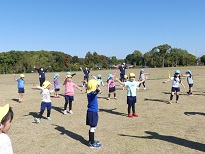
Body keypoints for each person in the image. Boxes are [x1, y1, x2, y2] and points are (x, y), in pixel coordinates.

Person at [86, 79, 102, 148]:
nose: (97, 86)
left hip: (92, 112)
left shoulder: (89, 92)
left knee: (92, 127)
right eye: (96, 85)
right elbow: (95, 93)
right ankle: (92, 143)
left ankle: (91, 140)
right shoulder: (91, 94)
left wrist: (86, 83)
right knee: (93, 127)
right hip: (92, 112)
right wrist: (98, 90)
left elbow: (89, 87)